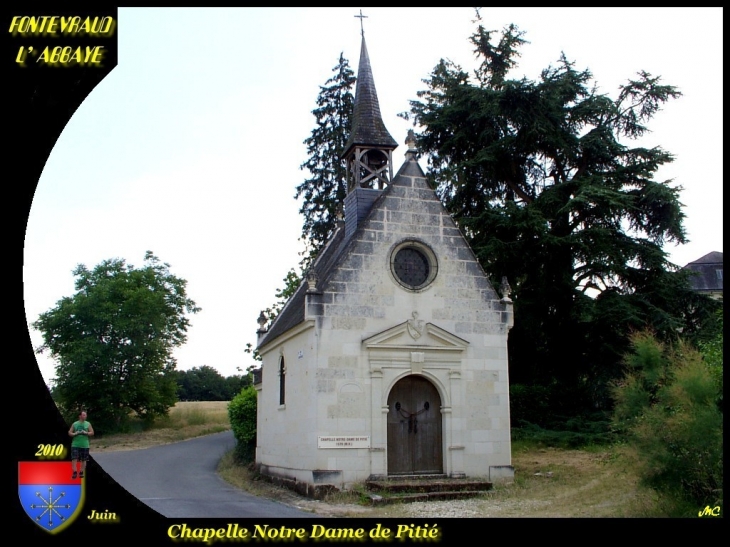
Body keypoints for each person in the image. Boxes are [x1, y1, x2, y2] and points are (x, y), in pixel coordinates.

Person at [68, 410, 94, 479]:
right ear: (80, 416)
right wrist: (75, 433)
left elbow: (92, 432)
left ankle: (81, 471)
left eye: (85, 415)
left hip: (85, 444)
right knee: (74, 458)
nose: (85, 416)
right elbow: (70, 432)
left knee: (84, 459)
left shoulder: (88, 424)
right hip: (75, 444)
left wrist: (86, 433)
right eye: (84, 415)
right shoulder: (75, 424)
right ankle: (74, 472)